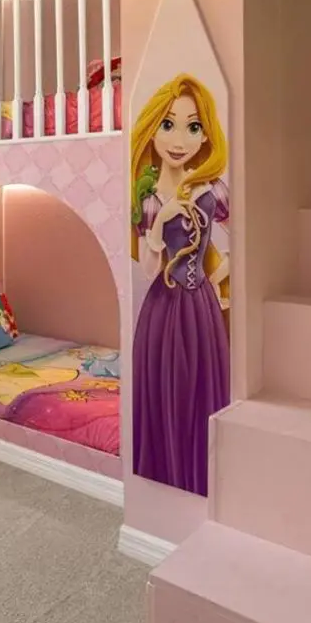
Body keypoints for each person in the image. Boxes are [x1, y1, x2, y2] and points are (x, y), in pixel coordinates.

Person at [129, 74, 230, 497]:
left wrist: (220, 273)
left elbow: (247, 237)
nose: (178, 140)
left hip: (200, 305)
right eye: (168, 125)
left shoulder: (211, 191)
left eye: (193, 127)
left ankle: (205, 475)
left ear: (205, 135)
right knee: (164, 388)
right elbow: (149, 269)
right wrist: (161, 225)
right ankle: (162, 477)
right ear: (152, 131)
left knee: (199, 390)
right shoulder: (148, 199)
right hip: (162, 308)